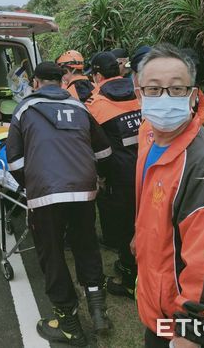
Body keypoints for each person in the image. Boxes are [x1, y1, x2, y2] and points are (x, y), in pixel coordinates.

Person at [132, 43, 204, 348]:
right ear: (139, 94)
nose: (164, 98)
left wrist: (192, 333)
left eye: (177, 89)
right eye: (154, 89)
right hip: (160, 311)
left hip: (190, 327)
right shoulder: (149, 134)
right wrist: (139, 237)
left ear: (194, 96)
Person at [6, 61, 113, 346]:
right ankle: (99, 311)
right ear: (64, 81)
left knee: (52, 254)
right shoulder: (81, 108)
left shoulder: (24, 109)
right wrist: (97, 178)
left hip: (45, 194)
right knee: (85, 245)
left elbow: (14, 160)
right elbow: (103, 152)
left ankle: (69, 323)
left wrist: (30, 185)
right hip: (83, 192)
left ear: (36, 82)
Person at [85, 51, 141, 299]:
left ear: (96, 75)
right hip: (154, 170)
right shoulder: (141, 92)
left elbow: (93, 146)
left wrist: (101, 177)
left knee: (126, 226)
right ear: (119, 70)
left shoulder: (95, 104)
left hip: (120, 176)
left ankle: (130, 279)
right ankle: (144, 271)